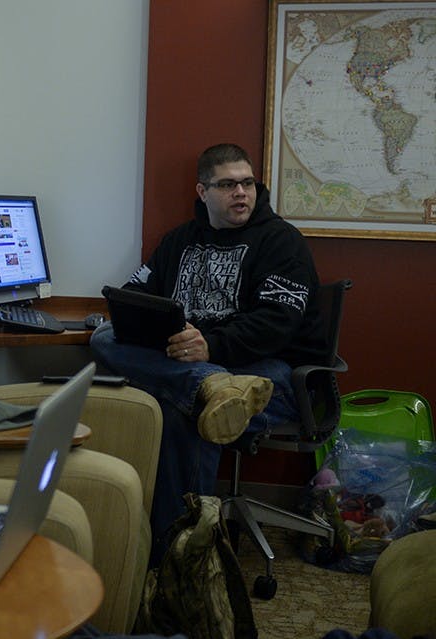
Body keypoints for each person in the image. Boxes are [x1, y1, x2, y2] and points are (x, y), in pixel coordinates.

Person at [90, 143, 327, 566]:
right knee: (104, 336)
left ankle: (179, 561)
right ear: (203, 192)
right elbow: (135, 293)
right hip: (202, 371)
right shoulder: (178, 241)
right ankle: (209, 386)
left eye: (247, 183)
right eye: (228, 185)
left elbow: (277, 324)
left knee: (187, 413)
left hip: (270, 374)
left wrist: (210, 346)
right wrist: (143, 323)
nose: (241, 193)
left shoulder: (282, 242)